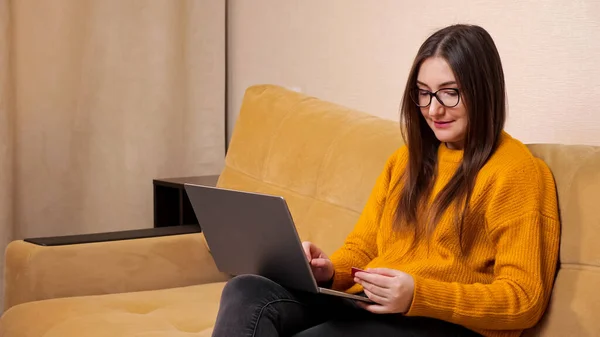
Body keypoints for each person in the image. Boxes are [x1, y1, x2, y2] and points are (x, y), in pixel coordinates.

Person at [211, 24, 560, 337]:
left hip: (447, 324)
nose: (433, 110)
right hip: (375, 305)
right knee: (246, 291)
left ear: (483, 91)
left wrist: (419, 295)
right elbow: (364, 249)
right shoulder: (405, 162)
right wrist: (329, 271)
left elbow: (524, 298)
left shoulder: (516, 172)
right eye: (423, 93)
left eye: (449, 92)